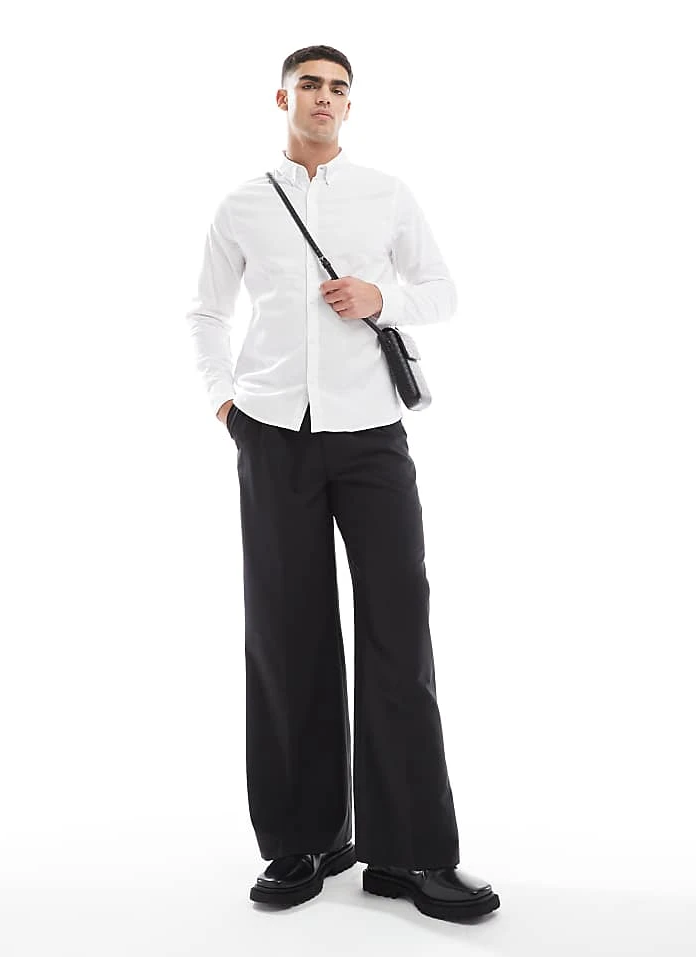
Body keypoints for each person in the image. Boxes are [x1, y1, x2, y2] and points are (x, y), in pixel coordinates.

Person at [184, 44, 500, 923]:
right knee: (286, 634)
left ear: (350, 107)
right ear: (282, 97)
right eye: (311, 85)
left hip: (371, 437)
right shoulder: (243, 203)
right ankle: (306, 838)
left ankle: (411, 854)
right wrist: (224, 403)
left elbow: (443, 290)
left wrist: (379, 298)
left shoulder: (386, 193)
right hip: (273, 434)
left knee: (399, 624)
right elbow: (205, 311)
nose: (324, 98)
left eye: (338, 89)